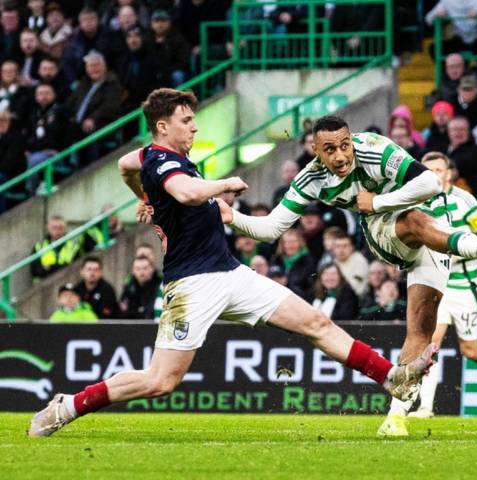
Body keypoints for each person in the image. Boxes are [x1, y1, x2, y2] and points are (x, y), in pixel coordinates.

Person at [28, 89, 432, 438]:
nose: (194, 128)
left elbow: (124, 166)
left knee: (315, 323)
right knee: (160, 381)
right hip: (192, 284)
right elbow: (186, 193)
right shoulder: (164, 161)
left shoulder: (149, 157)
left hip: (230, 272)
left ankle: (390, 378)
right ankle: (69, 405)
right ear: (163, 126)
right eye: (186, 121)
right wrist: (224, 184)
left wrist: (144, 197)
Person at [221, 116, 477, 435]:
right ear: (315, 151)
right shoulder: (311, 180)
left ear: (352, 140)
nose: (340, 156)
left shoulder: (375, 149)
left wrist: (377, 200)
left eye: (345, 146)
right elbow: (271, 228)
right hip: (383, 229)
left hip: (432, 237)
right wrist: (231, 216)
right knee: (416, 220)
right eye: (330, 150)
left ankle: (395, 418)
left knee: (420, 328)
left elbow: (429, 183)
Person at [395, 152, 477, 424]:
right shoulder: (416, 204)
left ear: (448, 174)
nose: (435, 174)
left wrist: (456, 251)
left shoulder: (465, 202)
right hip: (434, 284)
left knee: (471, 350)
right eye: (429, 170)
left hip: (465, 285)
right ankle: (426, 406)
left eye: (439, 169)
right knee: (429, 343)